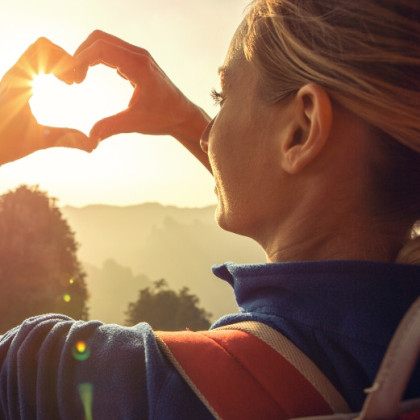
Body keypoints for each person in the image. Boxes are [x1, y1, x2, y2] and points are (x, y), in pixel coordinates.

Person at [1, 0, 420, 418]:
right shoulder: (397, 349)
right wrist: (184, 120)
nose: (206, 137)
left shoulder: (58, 370)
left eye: (223, 97)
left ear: (302, 128)